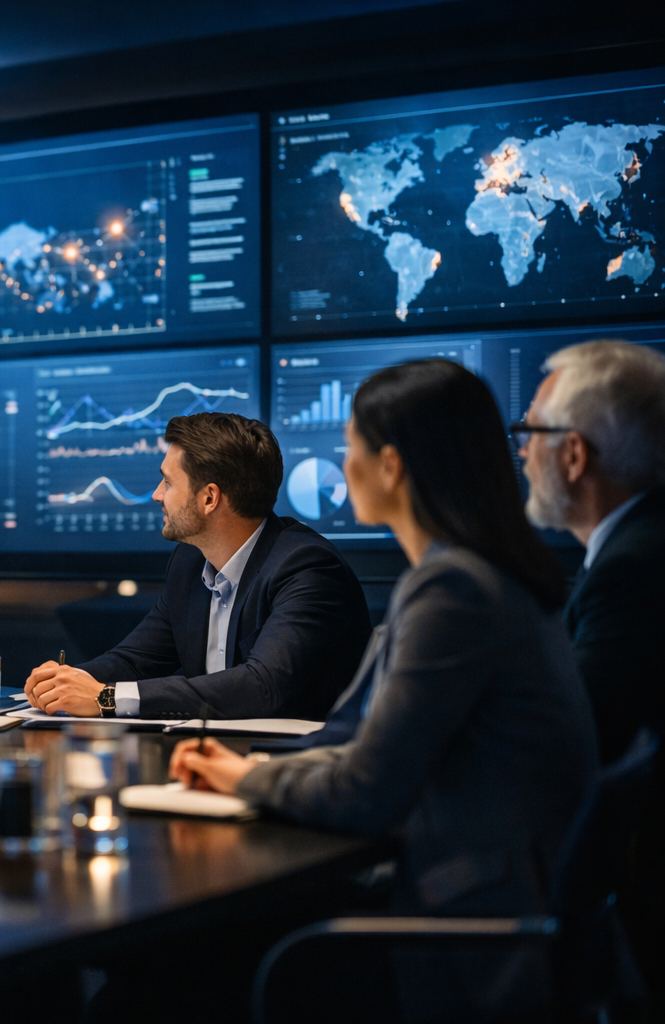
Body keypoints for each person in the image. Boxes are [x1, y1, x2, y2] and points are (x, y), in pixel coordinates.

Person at [170, 359, 598, 1022]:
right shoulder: (481, 575)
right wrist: (242, 769)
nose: (343, 466)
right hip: (493, 907)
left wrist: (244, 780)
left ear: (391, 466)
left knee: (172, 980)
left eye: (350, 447)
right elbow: (355, 739)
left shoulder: (453, 592)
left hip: (462, 931)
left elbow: (364, 791)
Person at [24, 412, 370, 720]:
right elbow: (135, 660)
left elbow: (261, 685)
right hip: (212, 754)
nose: (157, 495)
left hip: (295, 761)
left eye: (168, 482)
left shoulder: (307, 568)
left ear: (209, 498)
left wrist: (106, 698)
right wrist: (65, 683)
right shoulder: (189, 562)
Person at [517, 338, 665, 1001]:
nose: (522, 454)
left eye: (530, 433)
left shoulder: (634, 568)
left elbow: (574, 742)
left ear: (574, 455)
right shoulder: (636, 547)